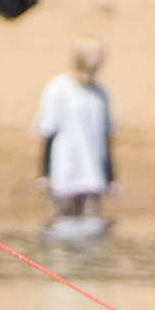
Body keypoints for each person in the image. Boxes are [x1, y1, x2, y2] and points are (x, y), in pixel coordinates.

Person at [35, 39, 115, 220]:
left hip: (93, 174)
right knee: (62, 222)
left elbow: (107, 135)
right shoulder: (58, 87)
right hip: (63, 172)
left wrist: (111, 177)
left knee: (92, 224)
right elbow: (48, 131)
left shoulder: (101, 92)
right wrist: (44, 175)